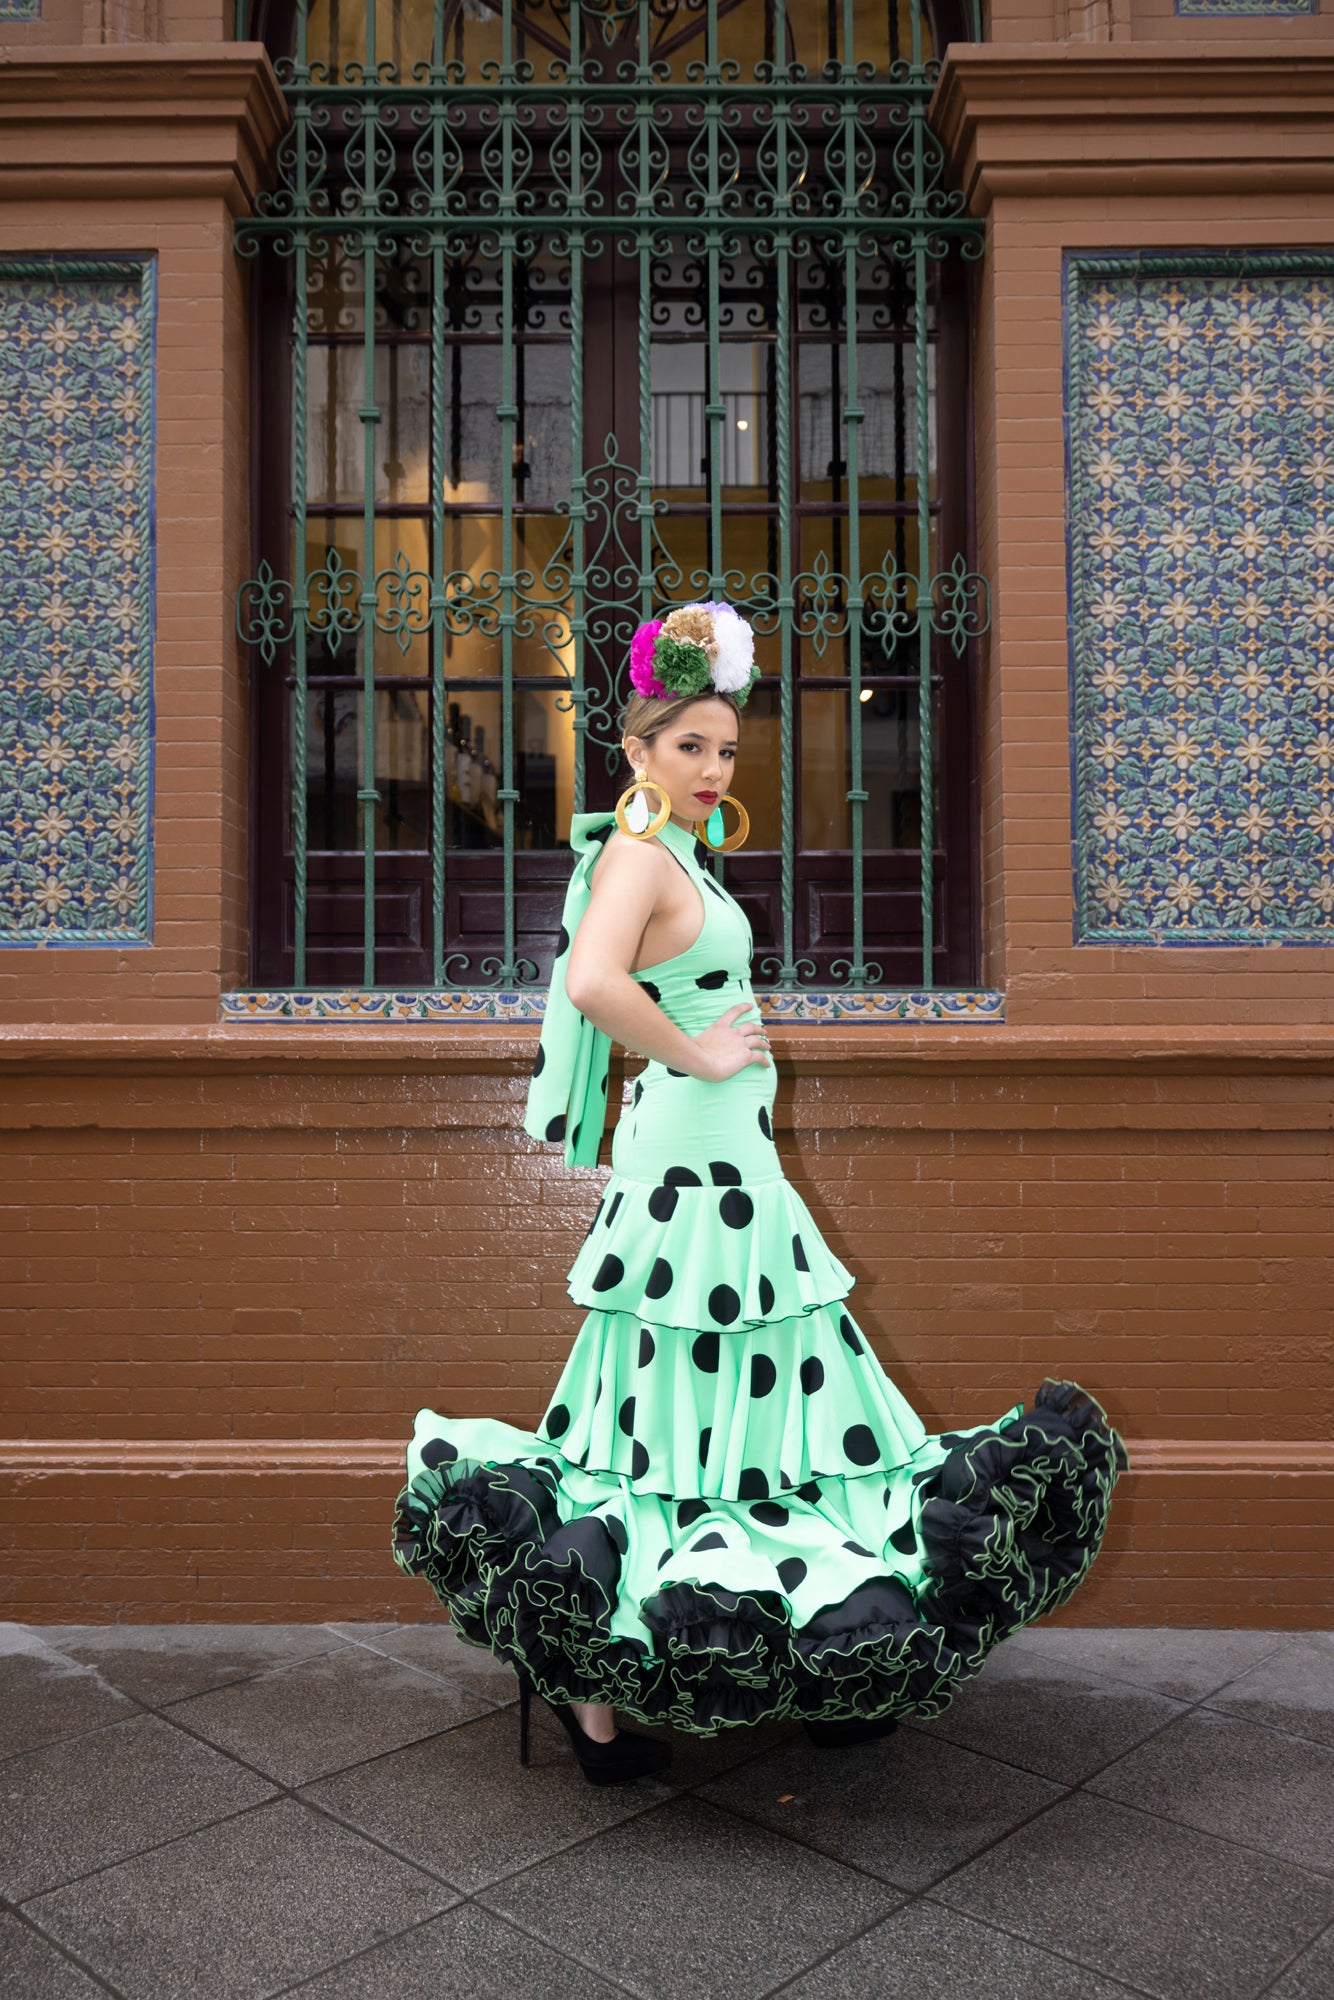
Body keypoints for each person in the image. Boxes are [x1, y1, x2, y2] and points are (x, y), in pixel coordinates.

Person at [392, 600, 1129, 1787]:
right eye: (687, 745)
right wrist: (701, 1056)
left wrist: (712, 1066)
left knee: (704, 1417)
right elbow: (591, 982)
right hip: (702, 1175)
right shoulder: (637, 851)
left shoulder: (672, 851)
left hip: (719, 1167)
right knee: (701, 1423)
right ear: (634, 749)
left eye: (724, 748)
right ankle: (777, 1662)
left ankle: (774, 1665)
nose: (709, 766)